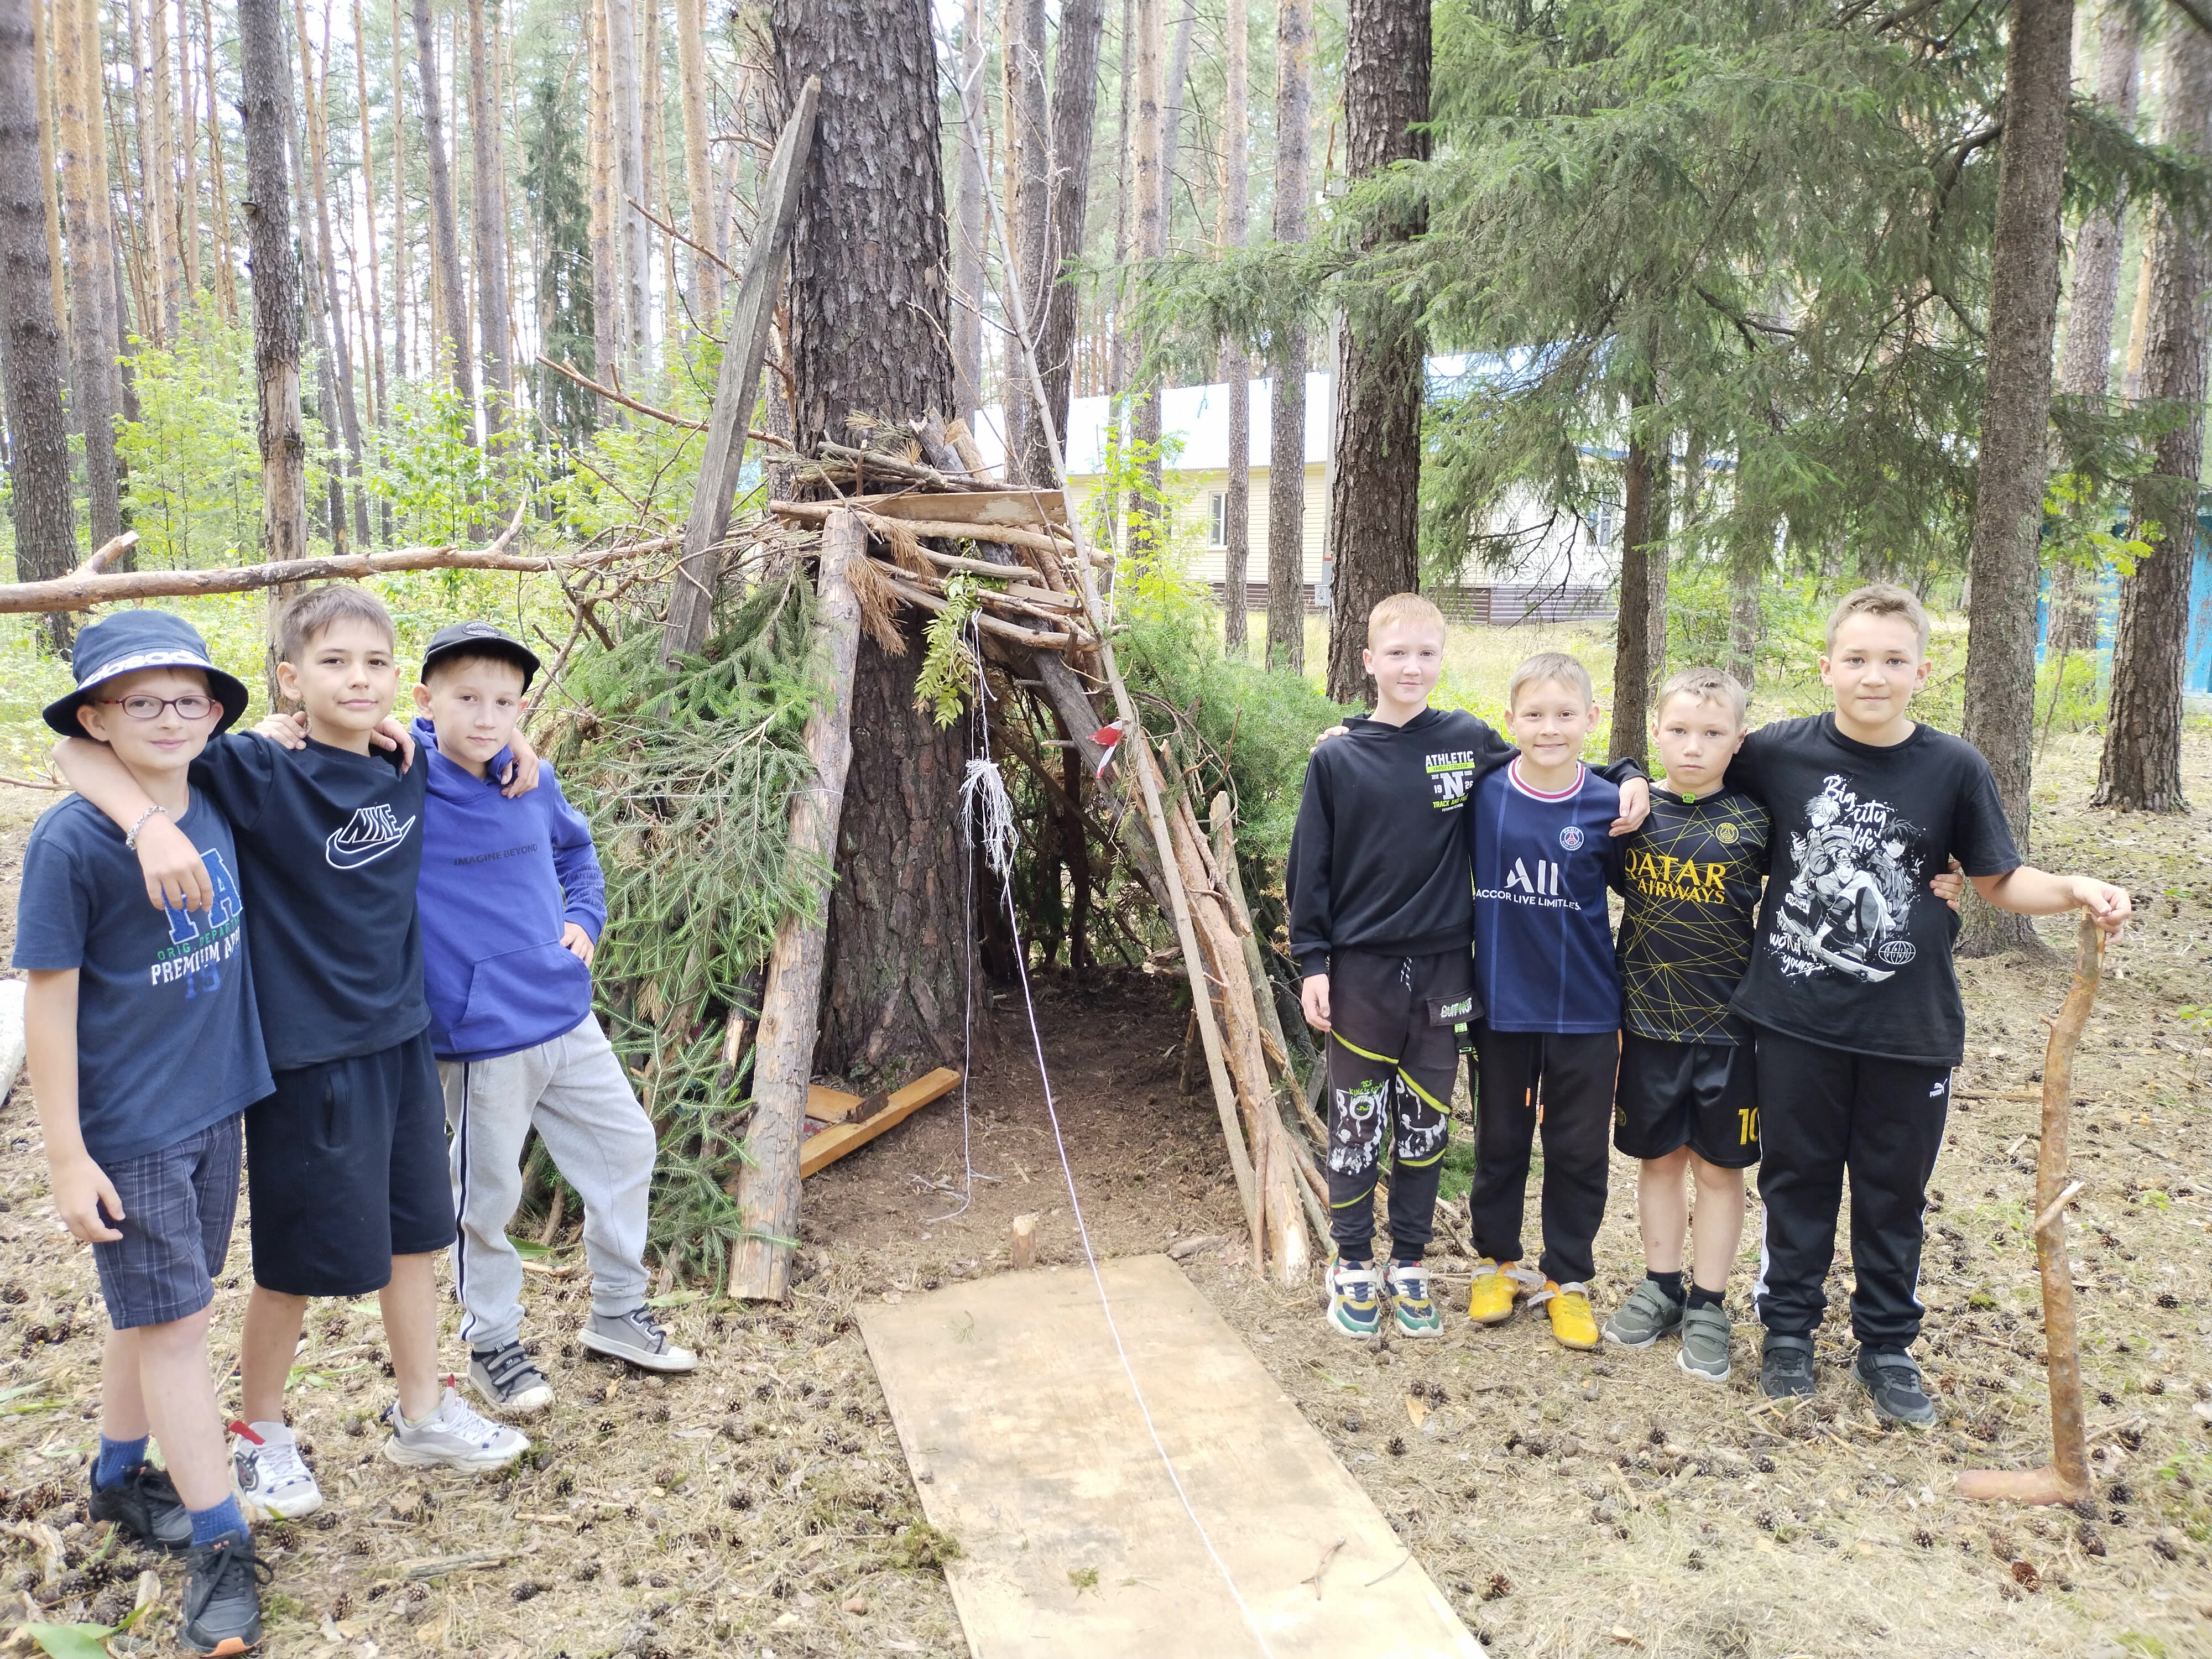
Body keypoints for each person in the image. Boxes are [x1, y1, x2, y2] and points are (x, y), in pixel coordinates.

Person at [53, 586, 529, 1524]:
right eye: (333, 662)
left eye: (375, 663)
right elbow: (77, 749)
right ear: (288, 679)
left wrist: (519, 749)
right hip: (310, 1057)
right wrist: (149, 826)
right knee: (296, 1262)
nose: (358, 679)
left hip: (401, 1037)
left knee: (416, 1236)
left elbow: (479, 727)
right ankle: (261, 1431)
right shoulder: (259, 768)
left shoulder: (405, 758)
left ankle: (423, 1410)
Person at [1726, 583, 2130, 1423]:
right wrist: (1627, 784)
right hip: (1795, 1018)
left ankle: (1886, 1346)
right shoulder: (1775, 752)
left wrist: (2074, 888)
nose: (1873, 676)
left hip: (1909, 1027)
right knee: (1796, 1179)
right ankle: (1788, 1333)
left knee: (1893, 1192)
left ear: (1922, 671)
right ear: (1827, 666)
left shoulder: (1954, 768)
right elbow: (1690, 769)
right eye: (1857, 659)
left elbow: (1997, 878)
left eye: (1893, 661)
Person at [1289, 598, 1648, 1340]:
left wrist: (1630, 772)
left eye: (1426, 653)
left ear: (1443, 659)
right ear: (1368, 661)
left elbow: (1556, 758)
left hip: (1450, 975)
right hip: (1364, 972)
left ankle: (1413, 1263)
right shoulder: (1338, 758)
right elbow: (1309, 869)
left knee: (1427, 1123)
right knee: (1359, 1122)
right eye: (1397, 653)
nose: (1411, 666)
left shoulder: (1465, 741)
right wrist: (1312, 960)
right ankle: (1353, 1261)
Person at [17, 612, 270, 1655]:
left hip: (217, 1100)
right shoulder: (71, 844)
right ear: (96, 717)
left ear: (214, 713)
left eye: (188, 699)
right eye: (140, 701)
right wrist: (67, 1155)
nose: (169, 718)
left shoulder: (212, 792)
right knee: (176, 1329)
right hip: (132, 1127)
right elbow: (48, 1001)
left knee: (162, 1304)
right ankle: (220, 1543)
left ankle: (120, 1476)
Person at [403, 622, 695, 1412]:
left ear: (523, 710)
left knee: (626, 1146)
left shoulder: (532, 778)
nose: (487, 717)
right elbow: (343, 731)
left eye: (504, 703)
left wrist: (584, 918)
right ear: (425, 701)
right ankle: (493, 1343)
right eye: (467, 699)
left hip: (564, 1012)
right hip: (480, 1032)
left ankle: (617, 1313)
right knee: (487, 1194)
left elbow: (576, 852)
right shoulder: (401, 778)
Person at [1461, 653, 1627, 1351]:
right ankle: (1495, 1264)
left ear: (1591, 719)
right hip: (1501, 1004)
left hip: (1585, 1006)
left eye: (1565, 715)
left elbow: (1643, 886)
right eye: (1534, 715)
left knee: (1578, 1149)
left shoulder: (1611, 805)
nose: (1549, 728)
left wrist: (1632, 775)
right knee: (1499, 1141)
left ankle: (1569, 1279)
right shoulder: (1483, 792)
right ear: (1510, 721)